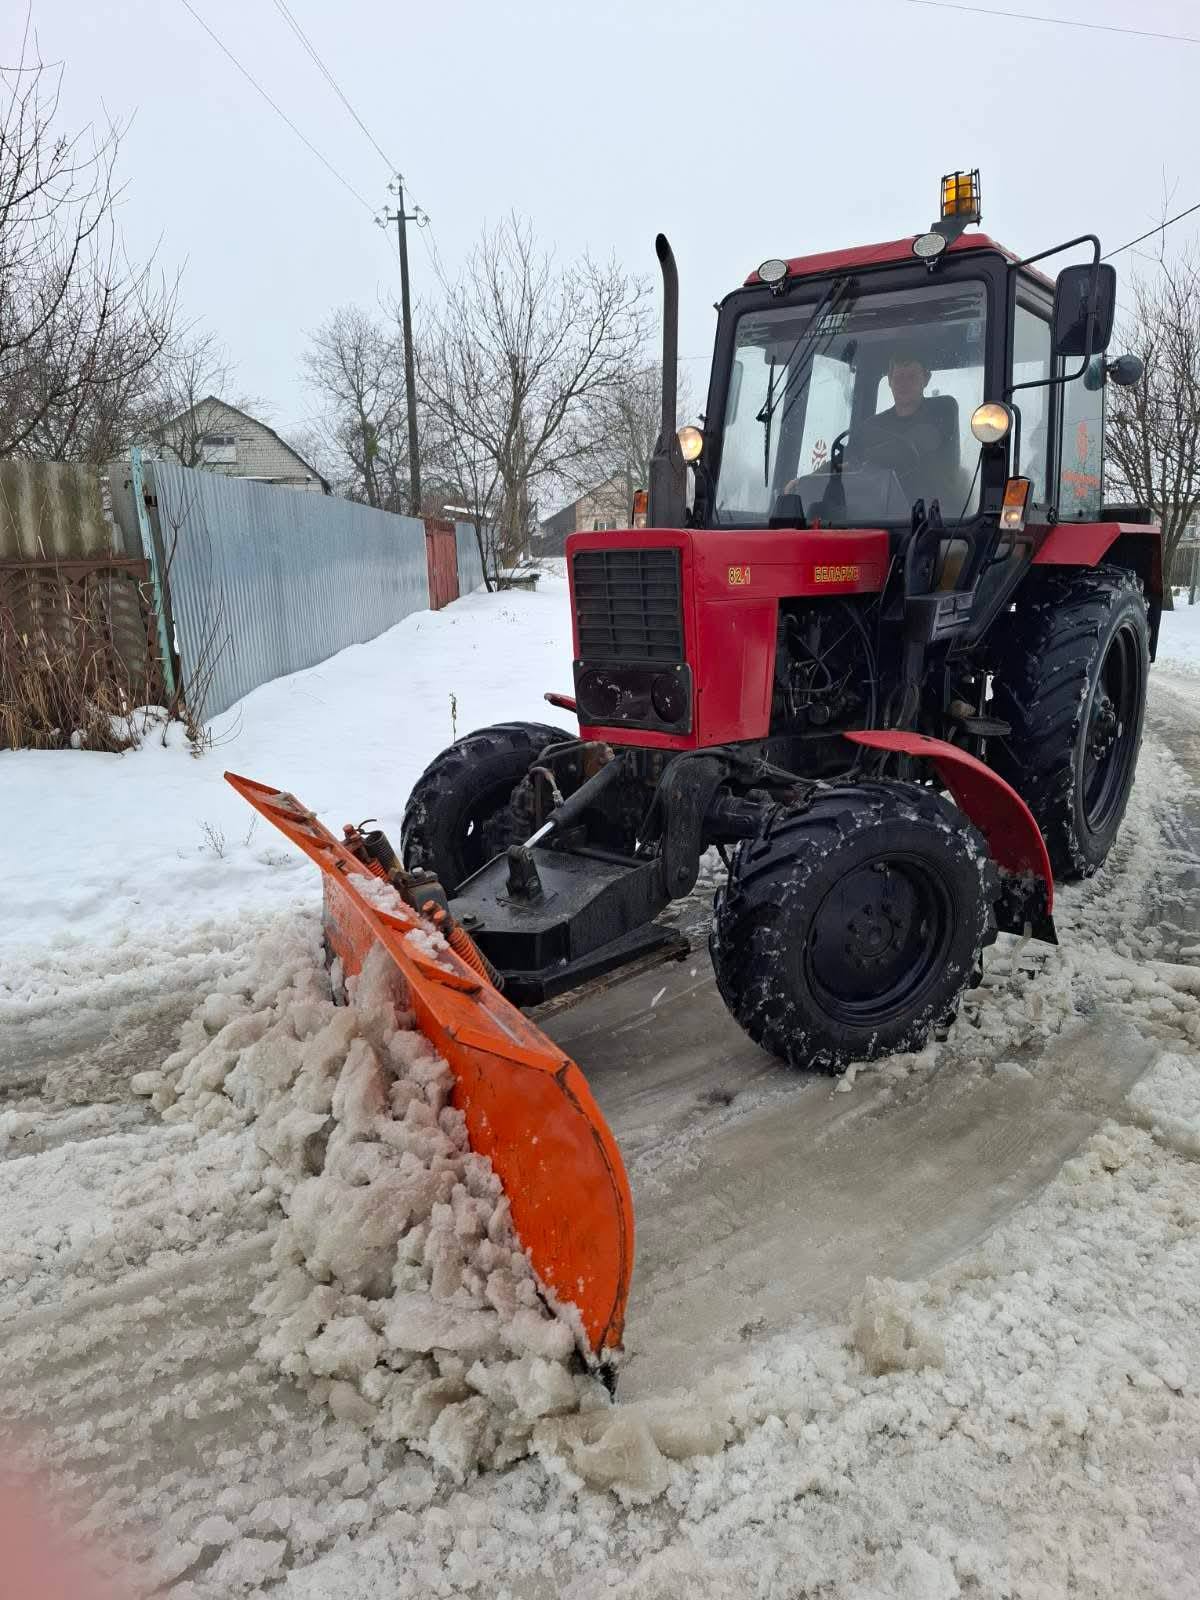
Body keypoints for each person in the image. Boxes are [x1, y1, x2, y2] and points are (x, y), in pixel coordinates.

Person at [850, 346, 962, 508]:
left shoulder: (943, 410)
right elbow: (847, 457)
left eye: (912, 377)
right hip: (880, 515)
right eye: (899, 377)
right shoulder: (873, 426)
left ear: (926, 378)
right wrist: (807, 480)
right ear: (889, 380)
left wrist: (866, 460)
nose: (904, 384)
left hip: (937, 519)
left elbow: (918, 442)